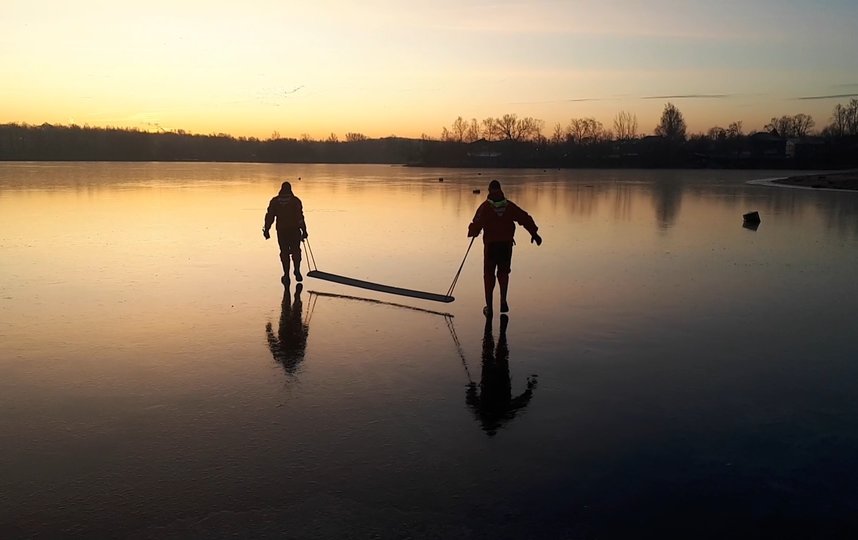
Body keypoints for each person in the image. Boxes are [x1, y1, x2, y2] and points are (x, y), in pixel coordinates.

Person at [467, 179, 541, 316]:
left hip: (491, 246)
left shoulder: (485, 207)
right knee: (503, 273)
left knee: (489, 275)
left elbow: (476, 223)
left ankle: (489, 307)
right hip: (506, 246)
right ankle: (503, 301)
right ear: (500, 190)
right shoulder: (509, 206)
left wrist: (473, 232)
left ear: (489, 191)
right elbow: (524, 218)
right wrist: (534, 233)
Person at [466, 314, 537, 436]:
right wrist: (471, 389)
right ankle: (497, 329)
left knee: (496, 355)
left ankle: (494, 326)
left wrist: (529, 389)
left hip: (496, 380)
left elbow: (521, 403)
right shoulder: (493, 412)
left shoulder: (496, 413)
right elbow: (470, 400)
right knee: (492, 355)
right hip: (495, 380)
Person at [263, 181, 308, 284]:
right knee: (296, 251)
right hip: (294, 230)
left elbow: (270, 216)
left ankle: (286, 275)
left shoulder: (275, 201)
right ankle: (297, 270)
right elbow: (300, 217)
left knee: (284, 252)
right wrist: (304, 230)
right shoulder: (295, 201)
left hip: (282, 231)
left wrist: (266, 229)